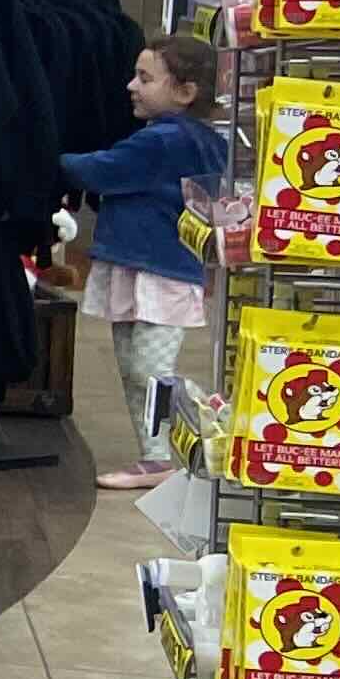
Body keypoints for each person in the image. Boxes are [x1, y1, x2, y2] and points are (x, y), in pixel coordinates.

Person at [59, 34, 224, 489]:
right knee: (138, 368)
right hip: (147, 267)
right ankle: (157, 456)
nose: (132, 85)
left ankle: (194, 431)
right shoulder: (188, 138)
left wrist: (46, 158)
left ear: (185, 92)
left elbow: (104, 169)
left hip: (159, 270)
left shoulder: (166, 140)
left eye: (146, 78)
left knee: (147, 369)